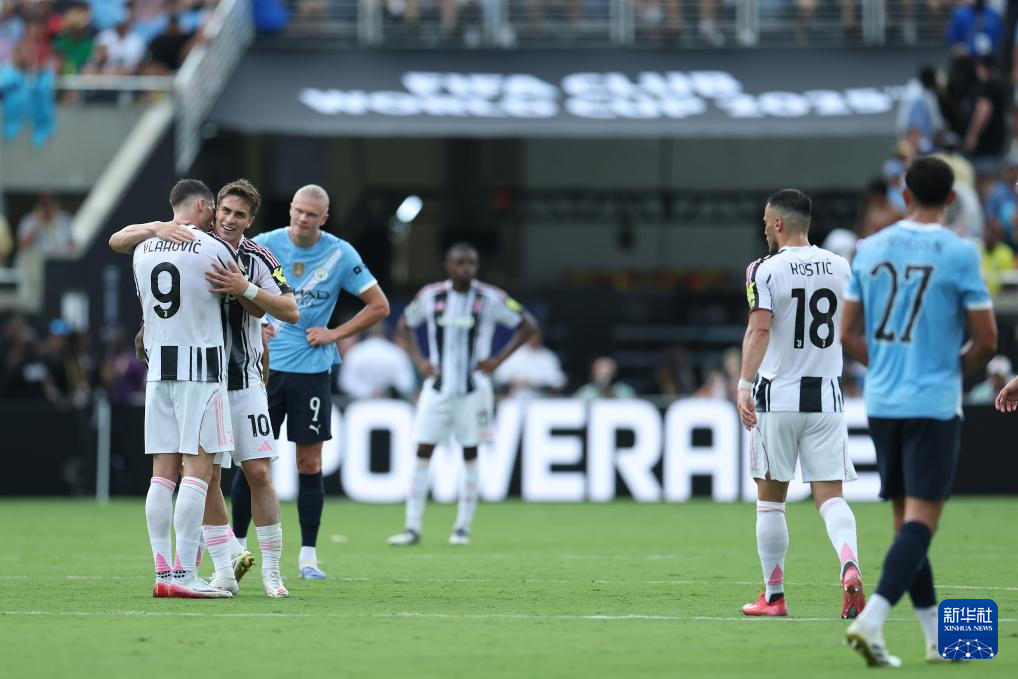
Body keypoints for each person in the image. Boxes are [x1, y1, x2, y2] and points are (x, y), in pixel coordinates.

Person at [110, 178, 300, 598]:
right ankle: (223, 570)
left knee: (257, 473)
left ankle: (272, 572)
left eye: (239, 214)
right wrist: (156, 228)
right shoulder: (195, 244)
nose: (229, 219)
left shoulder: (258, 257)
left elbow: (291, 309)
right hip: (204, 377)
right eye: (224, 211)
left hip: (240, 378)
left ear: (251, 220)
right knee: (206, 476)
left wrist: (245, 289)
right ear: (210, 209)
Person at [841, 156, 997, 666]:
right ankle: (873, 619)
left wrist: (885, 362)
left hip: (883, 402)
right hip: (932, 403)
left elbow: (847, 334)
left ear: (903, 196)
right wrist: (950, 371)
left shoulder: (868, 249)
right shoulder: (959, 253)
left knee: (907, 524)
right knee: (922, 524)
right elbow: (986, 340)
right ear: (952, 200)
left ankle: (934, 642)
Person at [233, 184, 389, 579]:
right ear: (290, 209)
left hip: (313, 373)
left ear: (324, 219)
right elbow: (231, 289)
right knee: (254, 461)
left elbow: (380, 305)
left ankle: (308, 555)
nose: (303, 219)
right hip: (264, 370)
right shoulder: (262, 245)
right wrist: (255, 322)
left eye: (311, 214)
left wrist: (336, 334)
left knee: (309, 462)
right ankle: (234, 547)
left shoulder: (340, 253)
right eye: (298, 211)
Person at [735, 189, 864, 620]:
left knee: (771, 500)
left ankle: (774, 597)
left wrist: (742, 384)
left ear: (776, 224)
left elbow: (759, 330)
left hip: (778, 397)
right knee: (831, 497)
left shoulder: (764, 269)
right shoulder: (841, 266)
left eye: (764, 222)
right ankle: (849, 564)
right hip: (827, 397)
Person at [127, 178, 238, 599]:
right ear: (201, 206)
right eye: (212, 209)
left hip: (158, 373)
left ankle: (162, 570)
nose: (216, 217)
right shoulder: (214, 249)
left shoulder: (142, 250)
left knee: (161, 475)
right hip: (201, 372)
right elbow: (239, 294)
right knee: (198, 470)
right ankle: (186, 576)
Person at [387, 243, 537, 547]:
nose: (465, 268)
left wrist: (497, 361)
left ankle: (462, 528)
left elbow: (527, 324)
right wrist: (420, 362)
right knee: (422, 452)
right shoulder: (431, 296)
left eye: (471, 263)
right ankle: (412, 527)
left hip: (474, 391)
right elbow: (404, 325)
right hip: (437, 389)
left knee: (470, 453)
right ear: (448, 265)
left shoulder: (490, 298)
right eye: (460, 263)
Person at [338, 324, 416, 400]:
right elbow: (406, 384)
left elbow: (345, 383)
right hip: (392, 406)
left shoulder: (355, 353)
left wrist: (367, 392)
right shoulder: (397, 353)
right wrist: (386, 392)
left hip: (360, 407)